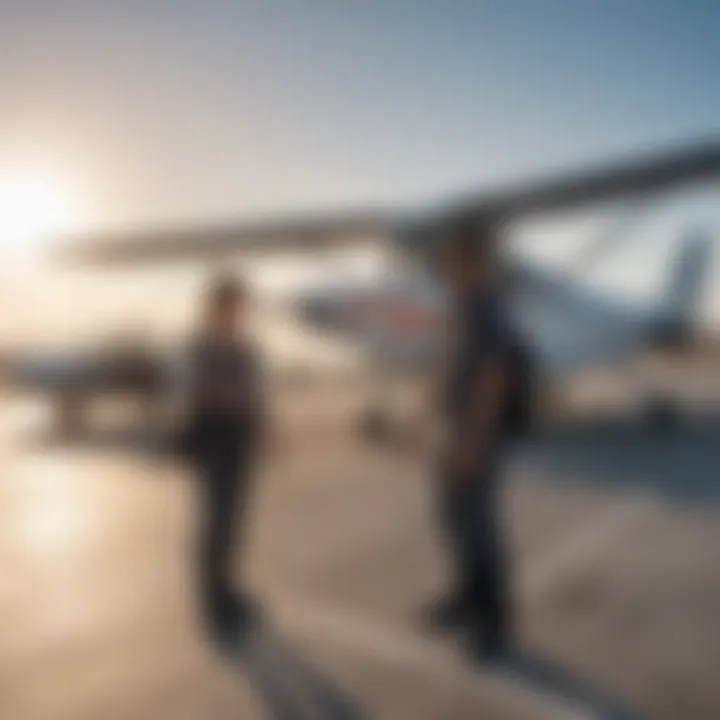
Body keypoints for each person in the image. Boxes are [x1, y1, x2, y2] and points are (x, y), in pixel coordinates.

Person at [423, 215, 516, 661]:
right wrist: (427, 418)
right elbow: (449, 367)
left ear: (479, 261)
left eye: (461, 259)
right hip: (452, 432)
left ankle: (493, 621)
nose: (453, 268)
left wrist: (473, 442)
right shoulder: (461, 305)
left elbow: (493, 377)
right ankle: (465, 596)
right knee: (452, 521)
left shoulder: (487, 305)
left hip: (473, 437)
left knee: (479, 529)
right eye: (451, 261)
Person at [174, 273, 267, 644]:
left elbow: (253, 393)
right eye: (233, 304)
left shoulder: (243, 347)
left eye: (241, 305)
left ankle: (228, 590)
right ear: (217, 306)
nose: (239, 311)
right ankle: (213, 604)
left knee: (232, 522)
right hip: (216, 440)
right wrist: (235, 397)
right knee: (215, 524)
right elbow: (201, 392)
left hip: (241, 440)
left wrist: (262, 429)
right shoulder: (202, 346)